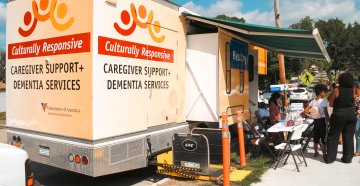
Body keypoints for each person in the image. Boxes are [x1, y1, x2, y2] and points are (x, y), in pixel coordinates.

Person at [325, 72, 357, 164]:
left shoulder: (336, 90)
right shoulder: (353, 89)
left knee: (333, 136)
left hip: (339, 115)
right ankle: (347, 158)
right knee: (348, 137)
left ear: (341, 80)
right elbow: (353, 101)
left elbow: (330, 103)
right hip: (351, 115)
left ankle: (330, 158)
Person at [305, 84, 328, 157]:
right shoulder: (323, 101)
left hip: (315, 121)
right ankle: (324, 154)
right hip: (322, 121)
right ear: (321, 92)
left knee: (316, 137)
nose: (324, 93)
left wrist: (311, 114)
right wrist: (329, 120)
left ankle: (315, 152)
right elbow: (326, 113)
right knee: (323, 138)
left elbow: (306, 110)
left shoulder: (312, 101)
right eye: (324, 92)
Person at [354, 81, 360, 156]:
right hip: (357, 117)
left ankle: (358, 151)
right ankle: (358, 151)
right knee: (357, 135)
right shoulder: (355, 98)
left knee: (358, 135)